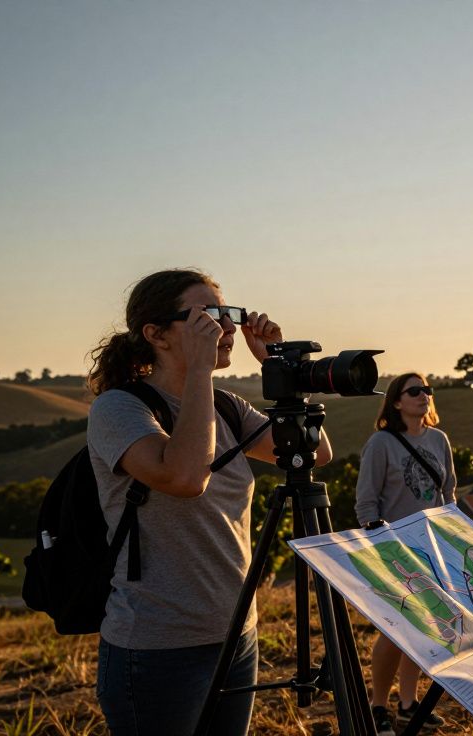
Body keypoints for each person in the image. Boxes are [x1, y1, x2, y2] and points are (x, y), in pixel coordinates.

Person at [87, 268, 333, 736]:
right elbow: (184, 478)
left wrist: (280, 369)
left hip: (237, 634)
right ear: (156, 334)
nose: (225, 328)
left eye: (227, 314)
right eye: (206, 316)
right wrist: (198, 371)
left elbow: (314, 453)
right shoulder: (119, 408)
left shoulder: (226, 406)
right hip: (158, 648)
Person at [355, 372, 457, 735]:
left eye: (427, 389)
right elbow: (366, 500)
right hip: (394, 548)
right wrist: (379, 547)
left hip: (433, 548)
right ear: (396, 402)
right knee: (396, 630)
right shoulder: (381, 443)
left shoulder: (439, 439)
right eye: (414, 391)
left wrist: (452, 540)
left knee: (423, 628)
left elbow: (448, 494)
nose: (423, 395)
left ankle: (409, 704)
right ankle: (378, 706)